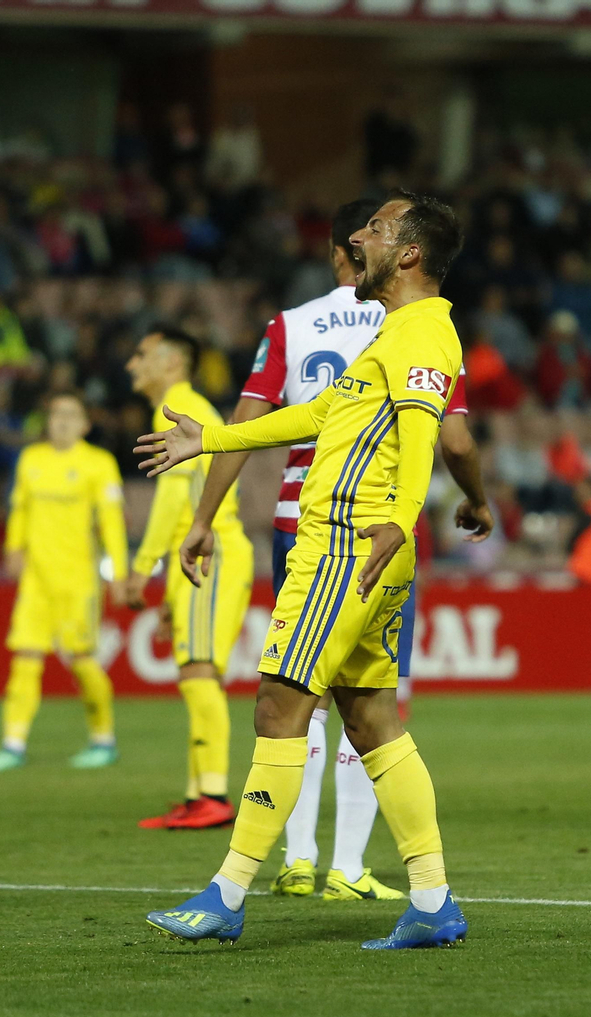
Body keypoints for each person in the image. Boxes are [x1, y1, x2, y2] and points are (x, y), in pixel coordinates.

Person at [136, 192, 470, 949]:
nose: (358, 238)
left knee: (279, 709)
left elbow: (424, 432)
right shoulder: (397, 330)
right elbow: (323, 416)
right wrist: (213, 440)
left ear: (409, 253)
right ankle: (431, 900)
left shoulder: (421, 332)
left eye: (375, 230)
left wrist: (400, 515)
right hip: (362, 544)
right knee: (371, 718)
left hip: (348, 541)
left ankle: (225, 895)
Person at [123, 328, 255, 830]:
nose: (132, 364)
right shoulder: (191, 406)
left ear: (172, 362)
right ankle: (198, 792)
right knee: (195, 674)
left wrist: (142, 567)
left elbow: (173, 497)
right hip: (199, 556)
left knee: (200, 672)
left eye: (142, 354)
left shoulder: (179, 409)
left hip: (211, 551)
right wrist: (170, 593)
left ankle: (214, 794)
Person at [0, 393, 130, 772]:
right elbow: (20, 509)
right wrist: (13, 547)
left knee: (81, 661)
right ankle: (13, 744)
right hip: (36, 580)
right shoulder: (31, 459)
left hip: (78, 581)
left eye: (70, 414)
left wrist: (119, 574)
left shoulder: (98, 463)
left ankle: (103, 739)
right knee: (25, 658)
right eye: (56, 414)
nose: (61, 421)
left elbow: (111, 522)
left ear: (85, 424)